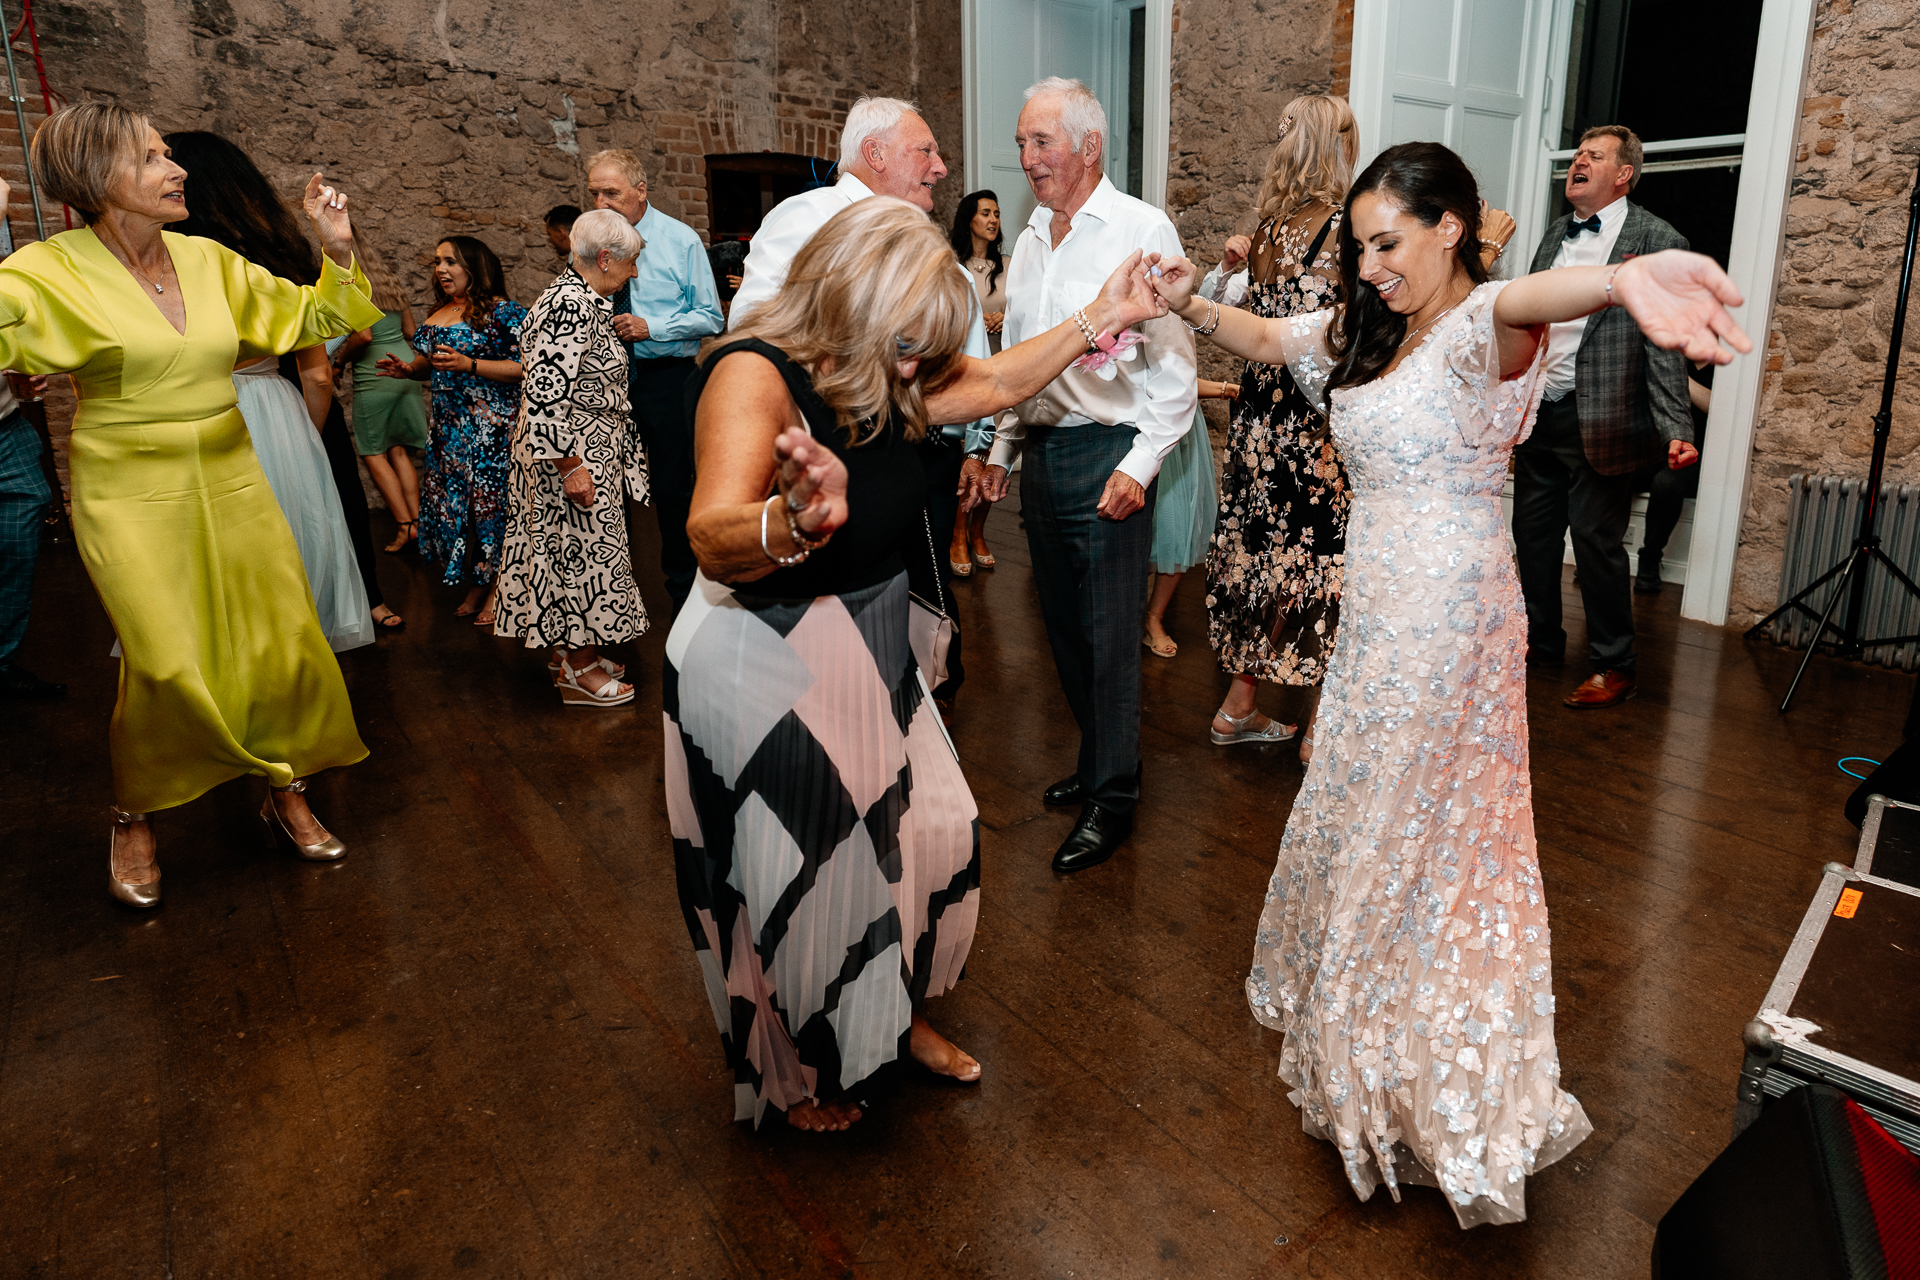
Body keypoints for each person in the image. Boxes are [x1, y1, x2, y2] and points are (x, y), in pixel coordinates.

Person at [1147, 140, 1749, 1226]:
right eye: (1358, 245)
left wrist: (1618, 279)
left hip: (1453, 612)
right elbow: (1269, 337)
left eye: (1388, 243)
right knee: (1368, 799)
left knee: (1421, 823)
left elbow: (1533, 291)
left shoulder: (1486, 324)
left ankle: (1423, 1061)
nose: (1370, 265)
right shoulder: (1370, 328)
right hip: (1375, 603)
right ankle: (1376, 1030)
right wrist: (1187, 302)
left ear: (1449, 228)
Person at [671, 196, 1164, 1132]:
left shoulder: (883, 373)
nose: (920, 369)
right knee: (803, 879)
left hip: (868, 639)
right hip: (765, 656)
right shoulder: (754, 375)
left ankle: (894, 1020)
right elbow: (708, 534)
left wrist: (1109, 311)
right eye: (909, 346)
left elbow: (996, 381)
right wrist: (793, 521)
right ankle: (806, 1068)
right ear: (851, 302)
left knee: (926, 837)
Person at [3, 104, 384, 907]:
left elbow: (315, 319)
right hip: (128, 488)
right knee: (167, 658)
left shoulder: (208, 259)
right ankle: (134, 812)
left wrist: (338, 251)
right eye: (151, 158)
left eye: (168, 155)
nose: (176, 170)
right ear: (96, 178)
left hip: (232, 471)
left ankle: (284, 786)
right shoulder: (46, 271)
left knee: (276, 639)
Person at [985, 76, 1198, 873]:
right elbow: (1023, 359)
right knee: (1066, 630)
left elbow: (1174, 367)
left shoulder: (1141, 228)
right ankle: (1101, 759)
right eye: (1021, 143)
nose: (1027, 158)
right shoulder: (1034, 232)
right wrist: (1002, 451)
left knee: (1111, 638)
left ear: (1089, 147)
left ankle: (1114, 798)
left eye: (1040, 142)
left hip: (1110, 455)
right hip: (1043, 452)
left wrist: (1142, 465)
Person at [728, 97, 995, 715]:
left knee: (913, 594)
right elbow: (753, 341)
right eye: (924, 150)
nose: (941, 167)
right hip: (832, 450)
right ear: (874, 154)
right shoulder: (809, 218)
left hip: (916, 442)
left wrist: (978, 444)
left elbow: (974, 363)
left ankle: (913, 709)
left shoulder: (916, 237)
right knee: (847, 606)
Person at [164, 130, 376, 652]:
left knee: (212, 572)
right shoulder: (275, 254)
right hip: (272, 412)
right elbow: (318, 373)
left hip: (193, 414)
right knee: (291, 556)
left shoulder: (167, 264)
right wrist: (301, 440)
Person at [1513, 124, 1697, 708]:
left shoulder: (1660, 240)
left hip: (1609, 419)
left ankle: (1615, 664)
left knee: (1595, 540)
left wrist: (1676, 429)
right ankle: (1541, 642)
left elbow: (1665, 345)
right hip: (1542, 410)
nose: (1578, 163)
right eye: (1577, 154)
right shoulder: (1552, 237)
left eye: (1594, 156)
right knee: (1533, 537)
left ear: (1624, 175)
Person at [1196, 97, 1358, 754]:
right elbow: (1354, 336)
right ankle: (1319, 727)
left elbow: (1232, 318)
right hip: (1313, 426)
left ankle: (1238, 708)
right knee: (1323, 565)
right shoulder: (1348, 229)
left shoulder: (1268, 230)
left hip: (1258, 423)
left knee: (1262, 561)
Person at [493, 209, 649, 707]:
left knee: (577, 556)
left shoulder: (581, 298)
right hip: (571, 451)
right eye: (630, 263)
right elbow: (543, 394)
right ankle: (578, 669)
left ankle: (575, 653)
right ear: (605, 259)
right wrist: (572, 467)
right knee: (579, 561)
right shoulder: (571, 307)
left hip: (584, 445)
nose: (634, 273)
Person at [585, 148, 723, 613]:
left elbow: (711, 318)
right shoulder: (589, 241)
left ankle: (685, 593)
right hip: (605, 382)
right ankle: (611, 591)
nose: (601, 203)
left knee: (671, 488)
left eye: (612, 193)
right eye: (594, 194)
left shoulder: (679, 241)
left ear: (641, 192)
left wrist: (653, 327)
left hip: (666, 378)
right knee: (604, 486)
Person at [377, 236, 527, 623]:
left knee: (493, 509)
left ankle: (498, 587)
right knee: (463, 511)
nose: (440, 269)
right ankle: (481, 578)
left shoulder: (504, 312)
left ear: (475, 268)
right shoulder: (441, 311)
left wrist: (471, 366)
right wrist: (411, 369)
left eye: (451, 262)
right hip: (448, 429)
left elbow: (526, 368)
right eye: (438, 261)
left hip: (490, 428)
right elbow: (435, 360)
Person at [334, 231, 427, 556]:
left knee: (373, 452)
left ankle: (403, 527)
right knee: (399, 450)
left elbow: (364, 336)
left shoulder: (352, 283)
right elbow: (412, 332)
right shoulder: (390, 282)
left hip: (375, 373)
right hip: (404, 367)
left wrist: (339, 362)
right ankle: (417, 524)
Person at [1142, 384, 1231, 658]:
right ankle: (1122, 613)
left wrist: (1225, 389)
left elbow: (1182, 376)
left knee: (1178, 528)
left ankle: (1152, 618)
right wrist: (1225, 389)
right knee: (1136, 529)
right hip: (1144, 422)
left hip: (1182, 426)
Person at [948, 189, 1007, 577]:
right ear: (968, 217)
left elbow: (1024, 307)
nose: (993, 220)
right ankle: (956, 533)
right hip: (971, 367)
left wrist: (1004, 316)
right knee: (968, 457)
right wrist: (975, 323)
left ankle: (979, 531)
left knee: (994, 457)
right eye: (985, 212)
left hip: (1006, 366)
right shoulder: (953, 266)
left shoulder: (1010, 265)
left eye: (998, 214)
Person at [1636, 360, 1713, 594]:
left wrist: (1676, 378)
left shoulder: (1723, 368)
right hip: (1656, 449)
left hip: (1696, 457)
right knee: (1616, 471)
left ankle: (1649, 559)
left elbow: (1715, 406)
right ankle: (1603, 554)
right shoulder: (1671, 359)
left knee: (1666, 484)